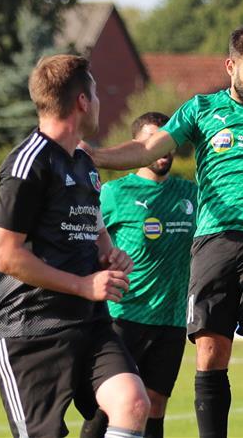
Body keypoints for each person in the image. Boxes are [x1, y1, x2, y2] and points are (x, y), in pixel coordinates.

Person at [85, 25, 243, 438]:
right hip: (213, 242)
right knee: (210, 352)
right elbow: (147, 148)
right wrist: (93, 155)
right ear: (231, 66)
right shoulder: (201, 109)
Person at [0, 54, 150, 438]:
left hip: (88, 321)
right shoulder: (27, 166)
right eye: (94, 94)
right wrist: (82, 284)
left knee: (132, 402)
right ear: (81, 101)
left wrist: (108, 251)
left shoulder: (83, 161)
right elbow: (4, 254)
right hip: (30, 329)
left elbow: (93, 224)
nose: (98, 103)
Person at [81, 112, 197, 438]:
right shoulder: (115, 194)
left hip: (172, 319)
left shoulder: (191, 195)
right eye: (151, 142)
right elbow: (84, 240)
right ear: (136, 147)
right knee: (110, 405)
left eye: (168, 142)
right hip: (123, 316)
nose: (163, 150)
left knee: (155, 405)